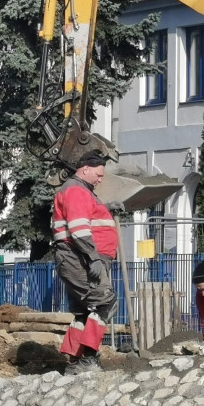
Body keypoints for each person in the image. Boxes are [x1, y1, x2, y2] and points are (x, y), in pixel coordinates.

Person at [52, 152, 118, 374]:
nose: (100, 179)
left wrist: (106, 207)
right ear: (85, 169)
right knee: (105, 303)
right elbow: (79, 229)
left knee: (82, 312)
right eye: (98, 174)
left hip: (74, 258)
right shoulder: (76, 190)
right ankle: (89, 359)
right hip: (79, 258)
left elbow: (86, 217)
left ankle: (73, 362)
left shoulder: (80, 191)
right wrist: (94, 258)